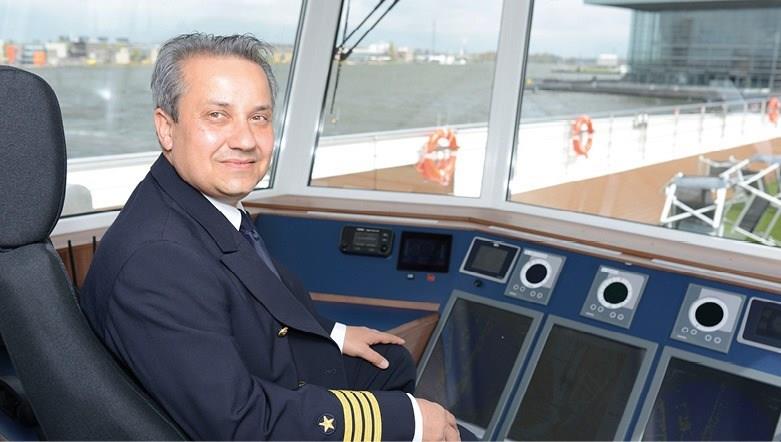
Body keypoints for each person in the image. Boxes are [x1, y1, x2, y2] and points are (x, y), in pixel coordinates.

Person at [80, 33, 462, 441]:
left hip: (257, 371)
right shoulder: (158, 260)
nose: (245, 140)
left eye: (258, 117)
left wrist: (334, 334)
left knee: (390, 362)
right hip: (252, 416)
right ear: (166, 128)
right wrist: (408, 421)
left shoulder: (195, 205)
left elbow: (253, 297)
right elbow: (240, 423)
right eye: (217, 115)